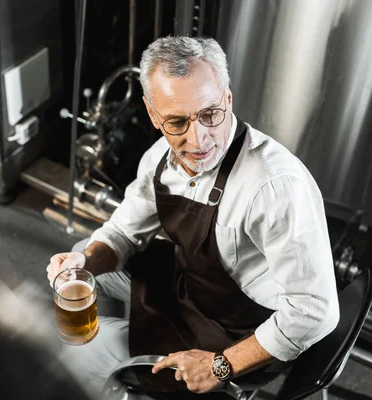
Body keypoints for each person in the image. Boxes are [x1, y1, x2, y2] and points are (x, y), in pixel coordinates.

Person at [46, 36, 339, 399]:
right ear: (153, 115)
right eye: (177, 122)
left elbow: (315, 310)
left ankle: (115, 367)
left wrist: (220, 365)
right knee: (83, 259)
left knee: (85, 348)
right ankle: (130, 379)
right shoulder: (160, 158)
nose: (198, 139)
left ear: (228, 98)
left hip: (240, 330)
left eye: (210, 114)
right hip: (194, 290)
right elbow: (123, 232)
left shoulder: (274, 186)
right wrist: (84, 261)